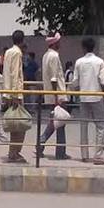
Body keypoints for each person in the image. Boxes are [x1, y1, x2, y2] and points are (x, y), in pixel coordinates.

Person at [72, 37, 104, 165]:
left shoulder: (78, 62)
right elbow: (103, 81)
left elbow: (75, 82)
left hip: (83, 96)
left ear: (83, 48)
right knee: (100, 126)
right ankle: (98, 156)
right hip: (97, 96)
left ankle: (84, 155)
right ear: (94, 47)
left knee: (84, 125)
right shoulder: (99, 62)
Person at [38, 32, 69, 160]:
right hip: (58, 94)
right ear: (55, 43)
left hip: (51, 93)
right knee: (59, 122)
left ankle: (59, 150)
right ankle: (44, 142)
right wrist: (57, 97)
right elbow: (54, 78)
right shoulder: (54, 56)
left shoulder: (46, 56)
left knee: (57, 121)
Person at [2, 30, 28, 163]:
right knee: (20, 125)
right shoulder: (17, 53)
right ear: (22, 40)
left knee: (14, 125)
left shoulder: (8, 52)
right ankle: (15, 152)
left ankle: (12, 152)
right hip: (15, 94)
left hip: (7, 92)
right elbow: (15, 74)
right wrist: (16, 95)